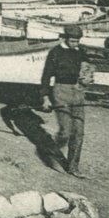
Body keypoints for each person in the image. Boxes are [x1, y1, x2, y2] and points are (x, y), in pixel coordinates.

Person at [40, 24, 90, 177]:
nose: (75, 44)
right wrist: (45, 97)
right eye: (73, 41)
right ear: (65, 38)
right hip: (60, 91)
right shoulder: (55, 52)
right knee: (65, 132)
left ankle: (73, 167)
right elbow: (46, 76)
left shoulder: (81, 52)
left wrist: (87, 77)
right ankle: (51, 154)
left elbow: (88, 68)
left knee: (79, 132)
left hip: (78, 92)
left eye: (77, 41)